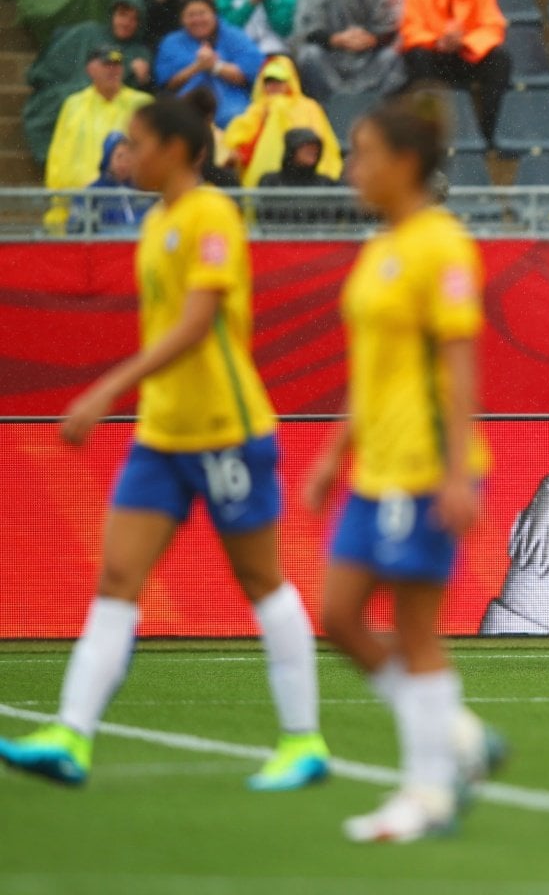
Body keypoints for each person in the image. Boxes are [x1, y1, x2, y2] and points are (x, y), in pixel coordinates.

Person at [0, 96, 329, 791]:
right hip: (161, 435)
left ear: (177, 151)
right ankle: (71, 734)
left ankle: (303, 741)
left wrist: (103, 390)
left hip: (226, 431)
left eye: (139, 142)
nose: (128, 153)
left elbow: (196, 324)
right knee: (117, 577)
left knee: (260, 579)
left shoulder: (212, 213)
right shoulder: (156, 220)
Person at [303, 90, 502, 841]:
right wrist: (332, 454)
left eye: (364, 154)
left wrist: (456, 473)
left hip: (423, 468)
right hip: (374, 467)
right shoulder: (379, 248)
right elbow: (376, 371)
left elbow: (457, 366)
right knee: (340, 616)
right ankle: (459, 739)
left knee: (415, 630)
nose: (352, 168)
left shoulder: (440, 245)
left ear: (406, 162)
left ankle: (428, 796)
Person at [22, 0, 153, 166]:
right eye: (123, 15)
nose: (127, 22)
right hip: (78, 96)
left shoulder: (140, 53)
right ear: (112, 15)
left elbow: (137, 90)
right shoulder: (89, 32)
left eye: (134, 19)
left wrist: (142, 78)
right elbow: (52, 64)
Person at [401, 0, 512, 146]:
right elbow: (410, 30)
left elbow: (493, 28)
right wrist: (438, 42)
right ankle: (426, 132)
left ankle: (486, 134)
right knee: (417, 56)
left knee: (500, 59)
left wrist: (464, 42)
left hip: (468, 54)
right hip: (433, 56)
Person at [45, 47, 154, 194]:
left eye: (117, 65)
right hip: (78, 197)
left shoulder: (143, 103)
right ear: (90, 69)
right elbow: (58, 153)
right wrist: (56, 194)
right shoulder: (74, 104)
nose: (112, 70)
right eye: (106, 64)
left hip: (130, 196)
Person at [223, 55, 343, 187]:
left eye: (279, 81)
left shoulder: (308, 107)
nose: (273, 86)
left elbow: (322, 142)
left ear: (289, 82)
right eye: (268, 81)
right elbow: (238, 144)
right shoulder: (254, 110)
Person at [155, 0, 264, 128]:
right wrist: (197, 67)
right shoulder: (171, 42)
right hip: (185, 105)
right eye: (191, 15)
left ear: (214, 15)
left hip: (231, 105)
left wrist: (215, 66)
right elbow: (168, 84)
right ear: (182, 19)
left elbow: (250, 73)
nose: (197, 20)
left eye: (202, 13)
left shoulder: (235, 36)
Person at [292, 0, 407, 103]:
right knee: (310, 55)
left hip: (371, 59)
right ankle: (319, 110)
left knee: (392, 56)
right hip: (329, 59)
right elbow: (305, 29)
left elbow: (396, 29)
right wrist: (334, 39)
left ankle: (381, 113)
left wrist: (373, 39)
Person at [82, 131, 154, 231]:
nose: (124, 163)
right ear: (107, 159)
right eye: (119, 157)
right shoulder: (92, 192)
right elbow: (76, 229)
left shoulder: (144, 189)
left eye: (129, 158)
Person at [215, 0, 297, 53]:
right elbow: (224, 29)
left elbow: (285, 30)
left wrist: (268, 0)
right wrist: (251, 2)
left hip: (275, 52)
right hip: (238, 54)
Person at [259, 127, 341, 187]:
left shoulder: (326, 183)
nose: (313, 151)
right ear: (292, 150)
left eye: (316, 147)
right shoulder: (271, 182)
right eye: (307, 147)